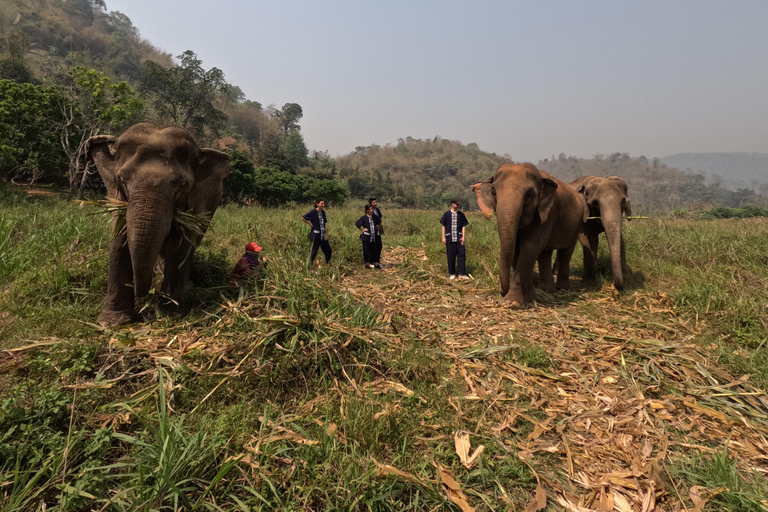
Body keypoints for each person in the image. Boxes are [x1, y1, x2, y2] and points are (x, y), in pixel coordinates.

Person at [440, 199, 469, 280]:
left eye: (458, 204)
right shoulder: (446, 214)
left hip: (459, 238)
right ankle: (452, 273)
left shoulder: (461, 215)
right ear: (452, 204)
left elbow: (463, 226)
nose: (458, 205)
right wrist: (443, 237)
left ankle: (461, 273)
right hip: (450, 238)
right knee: (451, 256)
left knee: (462, 255)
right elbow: (443, 226)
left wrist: (463, 237)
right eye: (456, 204)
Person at [301, 197, 332, 267]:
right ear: (317, 204)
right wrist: (310, 224)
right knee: (314, 251)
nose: (323, 205)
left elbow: (324, 223)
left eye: (324, 203)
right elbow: (303, 218)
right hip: (316, 235)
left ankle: (328, 264)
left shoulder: (323, 212)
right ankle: (310, 265)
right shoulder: (313, 212)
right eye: (321, 203)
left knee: (328, 250)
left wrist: (325, 234)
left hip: (322, 235)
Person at [369, 197, 383, 265]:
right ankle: (373, 260)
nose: (376, 203)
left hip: (378, 230)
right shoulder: (369, 211)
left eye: (376, 202)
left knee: (379, 245)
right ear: (370, 204)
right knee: (373, 245)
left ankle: (377, 260)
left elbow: (380, 218)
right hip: (372, 230)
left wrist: (379, 225)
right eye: (374, 202)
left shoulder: (377, 210)